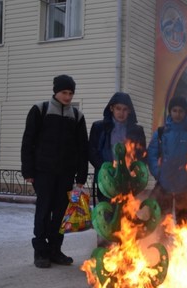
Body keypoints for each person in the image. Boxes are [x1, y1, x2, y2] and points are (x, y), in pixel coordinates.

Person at [21, 74, 89, 268]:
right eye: (64, 92)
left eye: (70, 93)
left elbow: (82, 148)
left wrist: (81, 176)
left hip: (66, 173)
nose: (67, 96)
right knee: (43, 211)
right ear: (56, 91)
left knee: (60, 214)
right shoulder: (40, 110)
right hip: (43, 172)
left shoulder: (76, 116)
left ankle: (55, 250)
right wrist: (28, 171)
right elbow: (28, 142)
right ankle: (40, 252)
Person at [147, 96, 187, 225]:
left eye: (181, 111)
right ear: (170, 112)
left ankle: (179, 244)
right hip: (165, 184)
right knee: (164, 221)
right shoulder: (161, 132)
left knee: (182, 222)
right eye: (174, 110)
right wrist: (158, 172)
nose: (177, 114)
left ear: (185, 112)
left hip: (184, 185)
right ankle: (163, 243)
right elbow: (152, 154)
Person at [89, 92, 147, 203]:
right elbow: (92, 152)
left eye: (125, 109)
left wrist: (134, 172)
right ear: (111, 108)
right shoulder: (99, 127)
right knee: (107, 215)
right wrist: (105, 169)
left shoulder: (137, 131)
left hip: (128, 180)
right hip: (106, 180)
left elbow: (142, 154)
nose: (121, 113)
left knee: (126, 214)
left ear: (129, 111)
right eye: (118, 108)